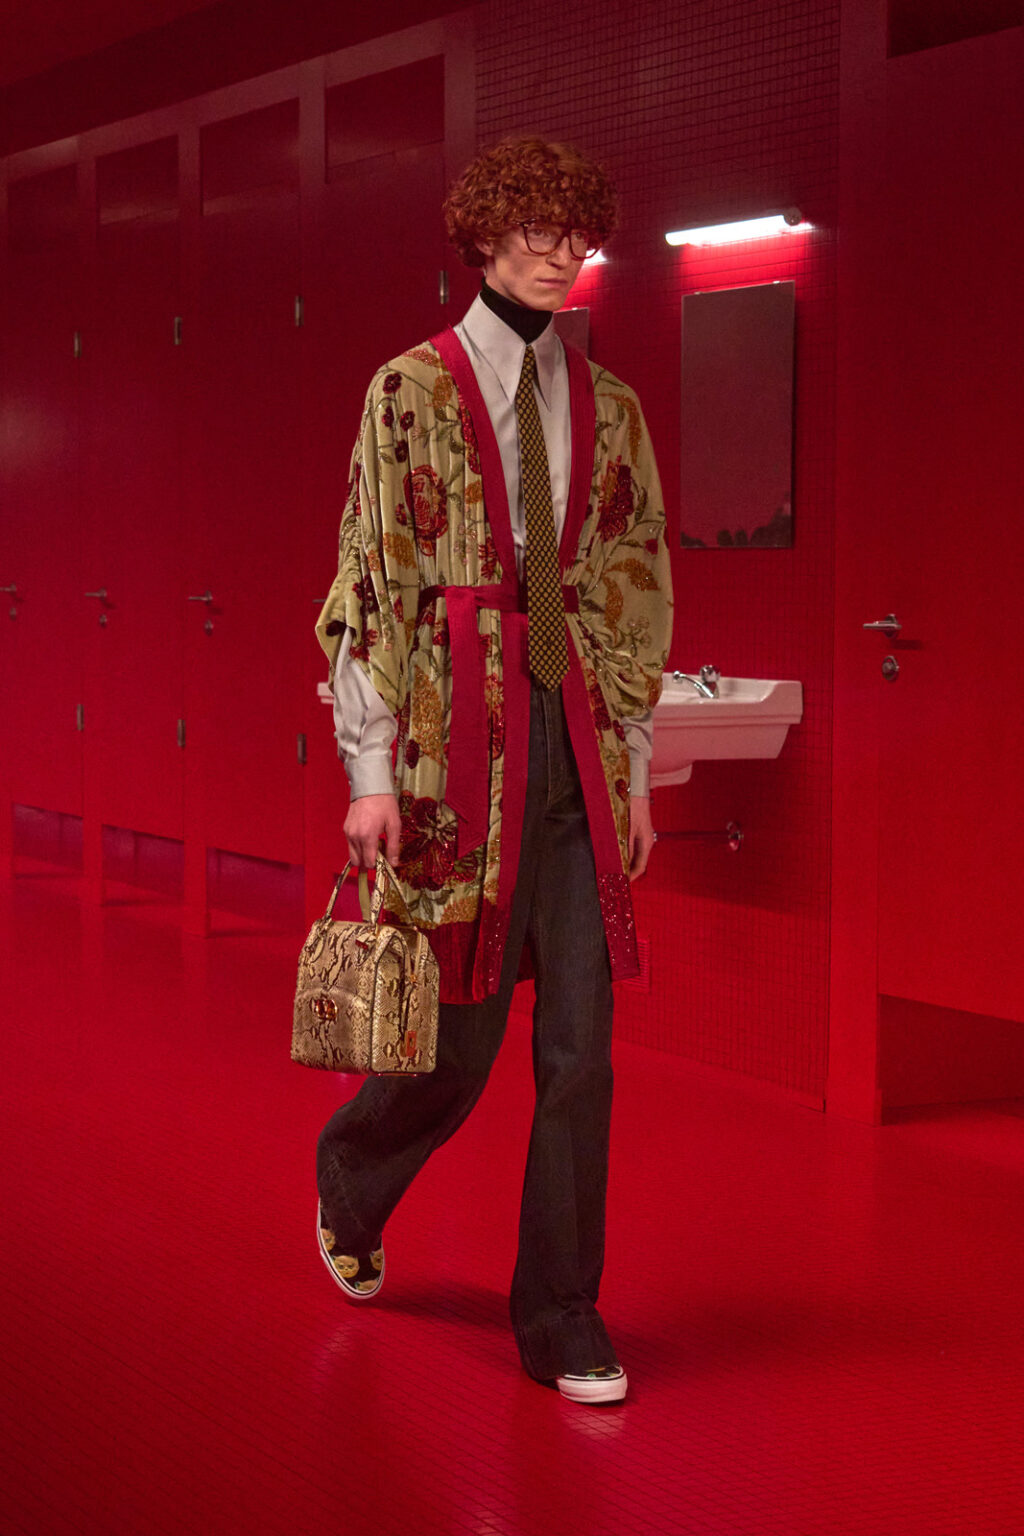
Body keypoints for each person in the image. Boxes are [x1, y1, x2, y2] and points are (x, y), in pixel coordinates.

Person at [313, 136, 672, 1404]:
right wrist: (369, 769)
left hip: (574, 740)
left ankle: (562, 1310)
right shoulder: (406, 391)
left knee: (581, 1048)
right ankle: (353, 1179)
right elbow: (372, 576)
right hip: (453, 749)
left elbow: (630, 584)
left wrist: (632, 764)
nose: (557, 255)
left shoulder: (611, 405)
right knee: (455, 1044)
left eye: (575, 235)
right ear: (480, 238)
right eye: (532, 231)